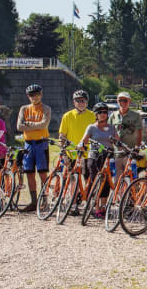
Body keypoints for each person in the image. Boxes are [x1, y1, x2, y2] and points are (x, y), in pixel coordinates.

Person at [16, 84, 52, 212]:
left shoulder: (46, 108)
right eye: (31, 95)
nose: (34, 97)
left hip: (41, 143)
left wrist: (28, 124)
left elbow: (44, 125)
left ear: (41, 95)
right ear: (28, 96)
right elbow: (19, 127)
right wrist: (34, 125)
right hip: (28, 144)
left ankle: (45, 201)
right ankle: (33, 201)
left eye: (36, 94)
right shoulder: (24, 109)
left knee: (42, 173)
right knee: (29, 173)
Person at [79, 102, 117, 217]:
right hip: (94, 156)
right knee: (93, 180)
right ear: (96, 114)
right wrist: (81, 145)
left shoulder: (112, 128)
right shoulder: (91, 127)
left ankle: (103, 207)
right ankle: (94, 206)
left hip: (108, 157)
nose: (102, 114)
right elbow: (84, 140)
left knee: (105, 182)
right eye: (100, 112)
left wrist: (125, 149)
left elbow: (118, 141)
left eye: (105, 112)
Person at [108, 91, 143, 174]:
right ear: (117, 101)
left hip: (131, 152)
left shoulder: (136, 115)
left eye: (125, 100)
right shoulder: (113, 116)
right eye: (120, 100)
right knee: (117, 179)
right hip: (118, 152)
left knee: (132, 177)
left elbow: (139, 132)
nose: (122, 103)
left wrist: (137, 147)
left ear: (129, 101)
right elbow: (109, 132)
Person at [59, 90, 95, 159]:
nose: (81, 103)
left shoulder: (93, 115)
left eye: (83, 101)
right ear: (74, 102)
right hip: (71, 154)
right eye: (78, 101)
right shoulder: (67, 116)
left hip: (88, 155)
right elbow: (62, 136)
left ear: (87, 102)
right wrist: (64, 154)